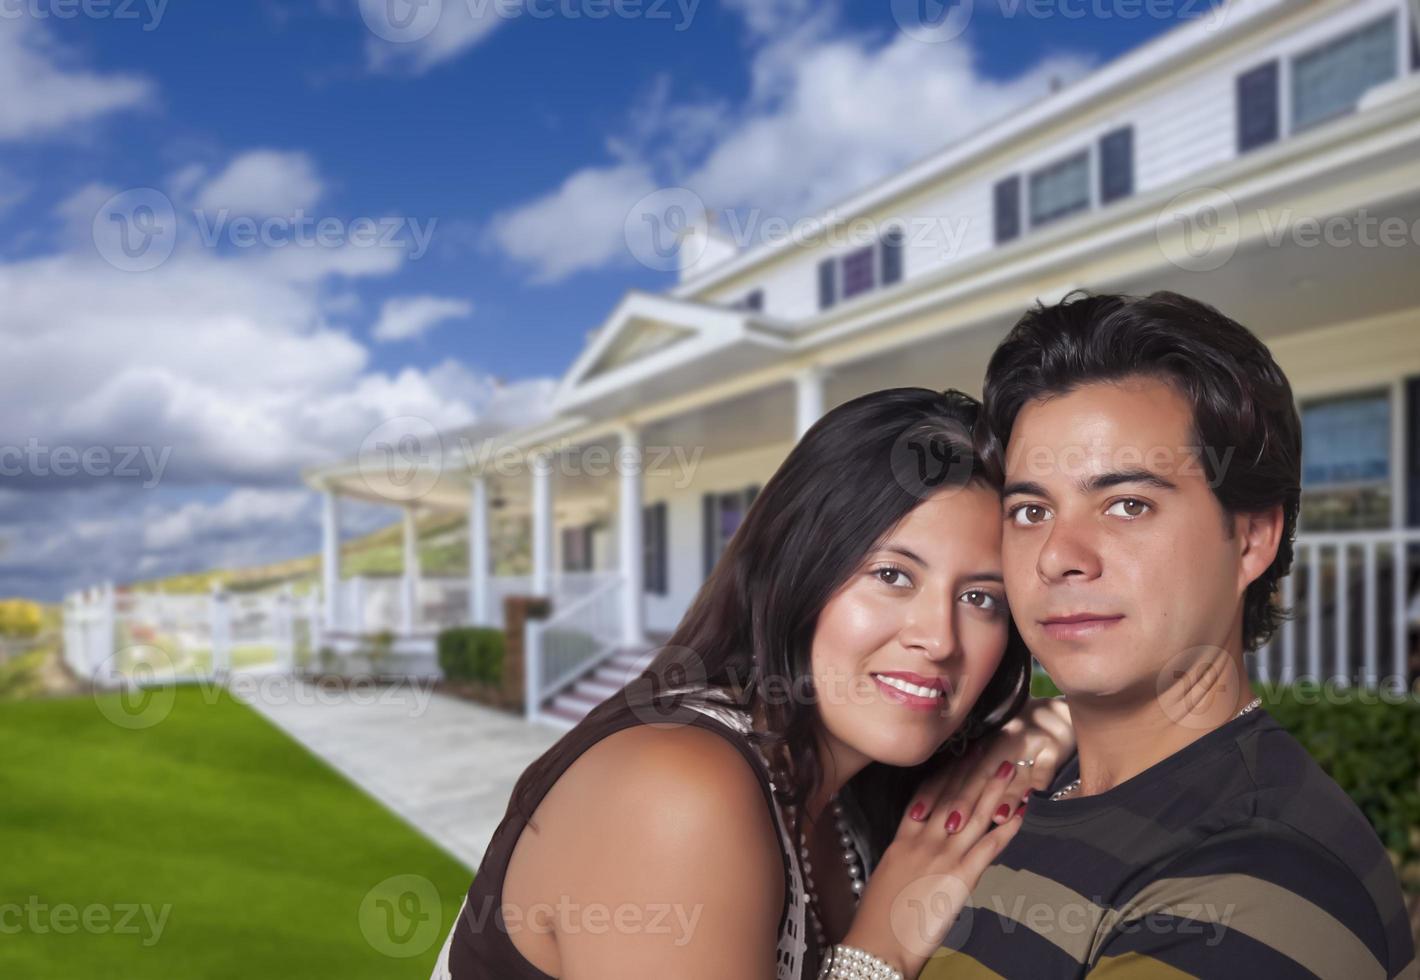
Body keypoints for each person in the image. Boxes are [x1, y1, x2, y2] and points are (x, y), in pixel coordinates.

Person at [431, 387, 1077, 979]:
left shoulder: (845, 793)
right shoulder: (676, 791)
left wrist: (1035, 735)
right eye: (892, 576)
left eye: (982, 599)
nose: (939, 639)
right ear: (796, 569)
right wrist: (883, 949)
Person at [926, 290, 1416, 978]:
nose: (1059, 554)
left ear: (1250, 538)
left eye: (1128, 504)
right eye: (1032, 509)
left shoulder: (1260, 878)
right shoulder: (1020, 784)